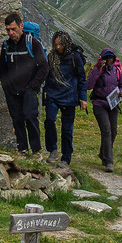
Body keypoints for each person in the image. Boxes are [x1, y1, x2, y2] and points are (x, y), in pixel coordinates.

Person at [0, 12, 48, 154]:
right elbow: (2, 68)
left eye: (13, 29)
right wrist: (6, 86)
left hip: (29, 90)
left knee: (30, 117)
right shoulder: (6, 46)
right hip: (12, 91)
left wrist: (33, 87)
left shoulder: (32, 43)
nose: (11, 33)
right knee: (17, 120)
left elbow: (44, 66)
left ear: (21, 26)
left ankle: (36, 151)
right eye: (8, 30)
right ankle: (22, 150)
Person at [42, 30, 88, 164]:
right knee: (49, 120)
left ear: (66, 43)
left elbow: (81, 78)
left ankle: (66, 158)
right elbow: (46, 74)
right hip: (52, 94)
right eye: (55, 44)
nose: (58, 48)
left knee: (67, 129)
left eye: (60, 45)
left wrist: (83, 98)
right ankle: (53, 150)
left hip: (69, 96)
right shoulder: (51, 57)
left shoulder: (75, 57)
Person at [86, 47, 122, 172]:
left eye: (111, 58)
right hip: (99, 104)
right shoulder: (97, 70)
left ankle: (103, 153)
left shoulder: (117, 71)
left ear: (114, 59)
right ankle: (109, 161)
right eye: (106, 58)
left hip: (113, 104)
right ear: (102, 59)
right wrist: (98, 69)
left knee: (113, 131)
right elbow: (88, 85)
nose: (108, 60)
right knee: (106, 131)